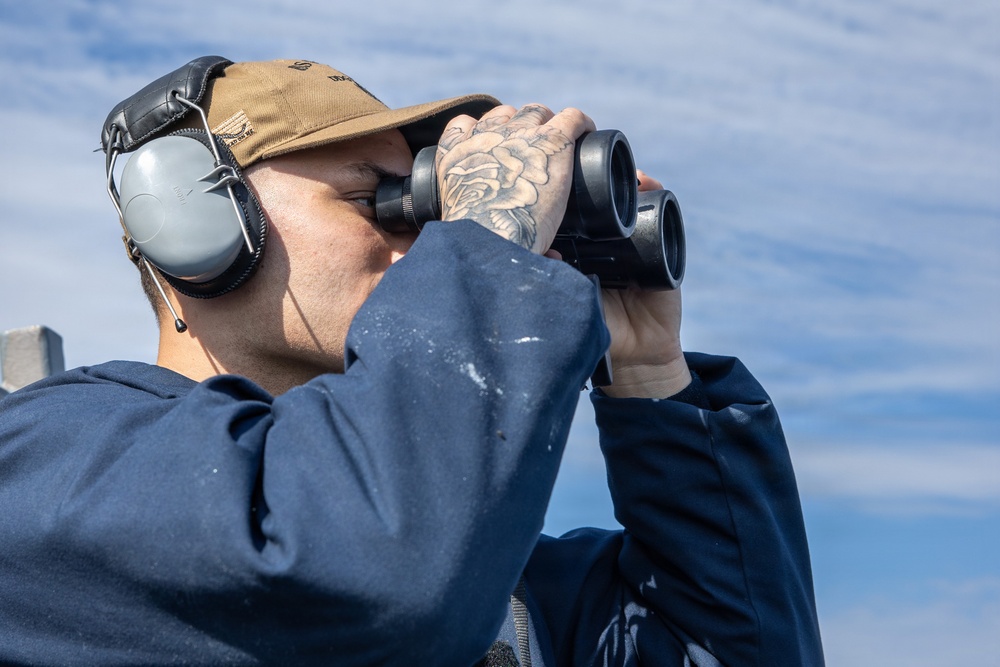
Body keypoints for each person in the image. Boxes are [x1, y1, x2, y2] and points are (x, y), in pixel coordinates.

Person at [0, 57, 824, 666]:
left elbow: (731, 646)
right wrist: (491, 242)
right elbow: (363, 571)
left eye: (431, 204)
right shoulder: (45, 467)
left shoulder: (495, 581)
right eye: (378, 199)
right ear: (194, 216)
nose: (431, 233)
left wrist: (651, 381)